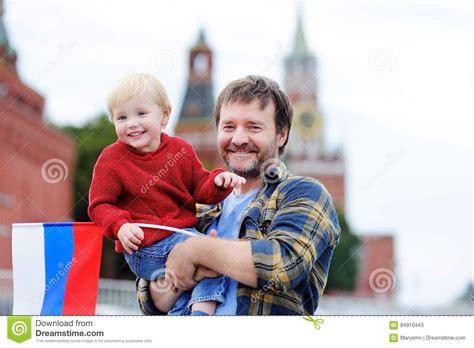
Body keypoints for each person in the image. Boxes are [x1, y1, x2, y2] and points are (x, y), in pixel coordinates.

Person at [136, 75, 341, 315]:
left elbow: (282, 265)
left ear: (281, 134)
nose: (239, 139)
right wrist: (190, 273)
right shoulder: (198, 206)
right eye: (229, 127)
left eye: (254, 127)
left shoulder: (303, 193)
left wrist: (196, 251)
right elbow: (150, 297)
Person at [88, 73, 245, 316]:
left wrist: (218, 181)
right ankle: (203, 314)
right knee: (213, 254)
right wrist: (119, 226)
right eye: (122, 117)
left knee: (183, 294)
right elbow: (99, 204)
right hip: (145, 245)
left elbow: (200, 188)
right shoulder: (111, 159)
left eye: (141, 113)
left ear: (164, 115)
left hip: (181, 235)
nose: (131, 123)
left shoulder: (180, 150)